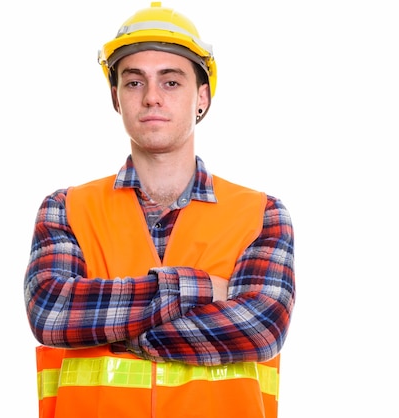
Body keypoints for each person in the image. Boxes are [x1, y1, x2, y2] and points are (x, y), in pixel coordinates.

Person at [23, 2, 296, 418]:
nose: (151, 97)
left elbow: (260, 328)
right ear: (116, 97)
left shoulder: (262, 215)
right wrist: (202, 289)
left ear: (201, 96)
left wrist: (114, 333)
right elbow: (53, 313)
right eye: (134, 83)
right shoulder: (65, 209)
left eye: (171, 82)